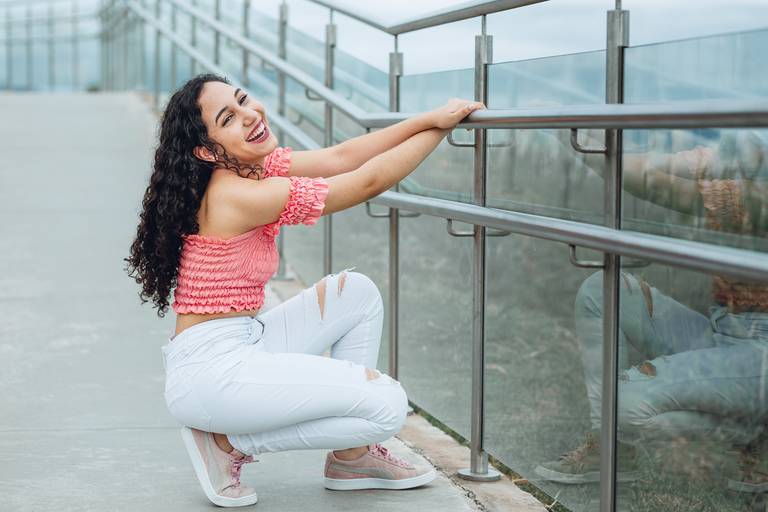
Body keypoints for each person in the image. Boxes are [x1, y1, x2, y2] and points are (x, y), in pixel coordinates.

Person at [124, 73, 484, 507]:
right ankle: (228, 442)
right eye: (229, 118)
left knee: (356, 292)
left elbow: (341, 157)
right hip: (212, 373)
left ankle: (353, 456)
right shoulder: (234, 194)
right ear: (207, 150)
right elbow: (364, 183)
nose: (250, 115)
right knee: (388, 405)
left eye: (243, 101)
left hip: (241, 341)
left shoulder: (250, 166)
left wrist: (425, 118)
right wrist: (442, 129)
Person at [534, 131, 768, 493]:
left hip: (761, 354)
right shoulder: (742, 153)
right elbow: (654, 165)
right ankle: (611, 449)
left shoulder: (753, 197)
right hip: (727, 333)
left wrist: (573, 136)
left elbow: (646, 182)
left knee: (623, 404)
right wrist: (594, 138)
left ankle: (756, 431)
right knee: (603, 291)